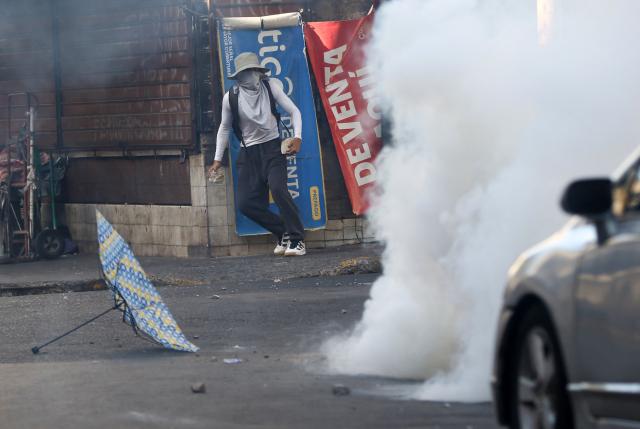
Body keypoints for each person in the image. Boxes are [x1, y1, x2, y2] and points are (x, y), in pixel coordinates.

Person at [208, 52, 306, 256]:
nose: (249, 76)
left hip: (272, 149)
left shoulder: (271, 88)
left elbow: (294, 111)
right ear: (238, 76)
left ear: (259, 72)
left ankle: (297, 240)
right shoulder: (231, 98)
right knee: (245, 203)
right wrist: (217, 159)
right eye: (244, 72)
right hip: (248, 154)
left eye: (252, 71)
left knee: (279, 190)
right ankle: (281, 231)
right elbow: (224, 128)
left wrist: (298, 138)